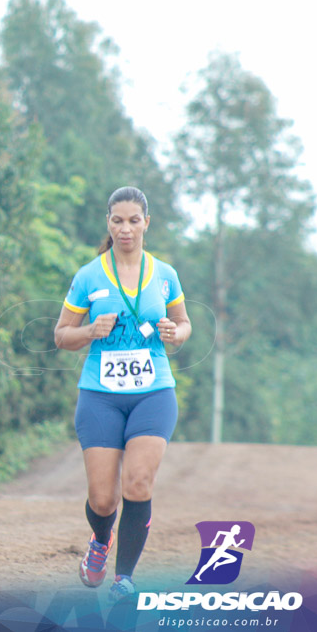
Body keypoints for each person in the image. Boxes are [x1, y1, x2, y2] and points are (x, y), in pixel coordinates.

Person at [53, 186, 191, 601]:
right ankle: (100, 541)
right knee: (102, 497)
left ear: (146, 223)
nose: (125, 228)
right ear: (108, 224)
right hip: (100, 395)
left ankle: (123, 579)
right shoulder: (89, 276)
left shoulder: (165, 274)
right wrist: (90, 332)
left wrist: (175, 332)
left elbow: (183, 327)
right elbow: (61, 336)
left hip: (153, 392)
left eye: (134, 220)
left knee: (138, 483)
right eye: (117, 221)